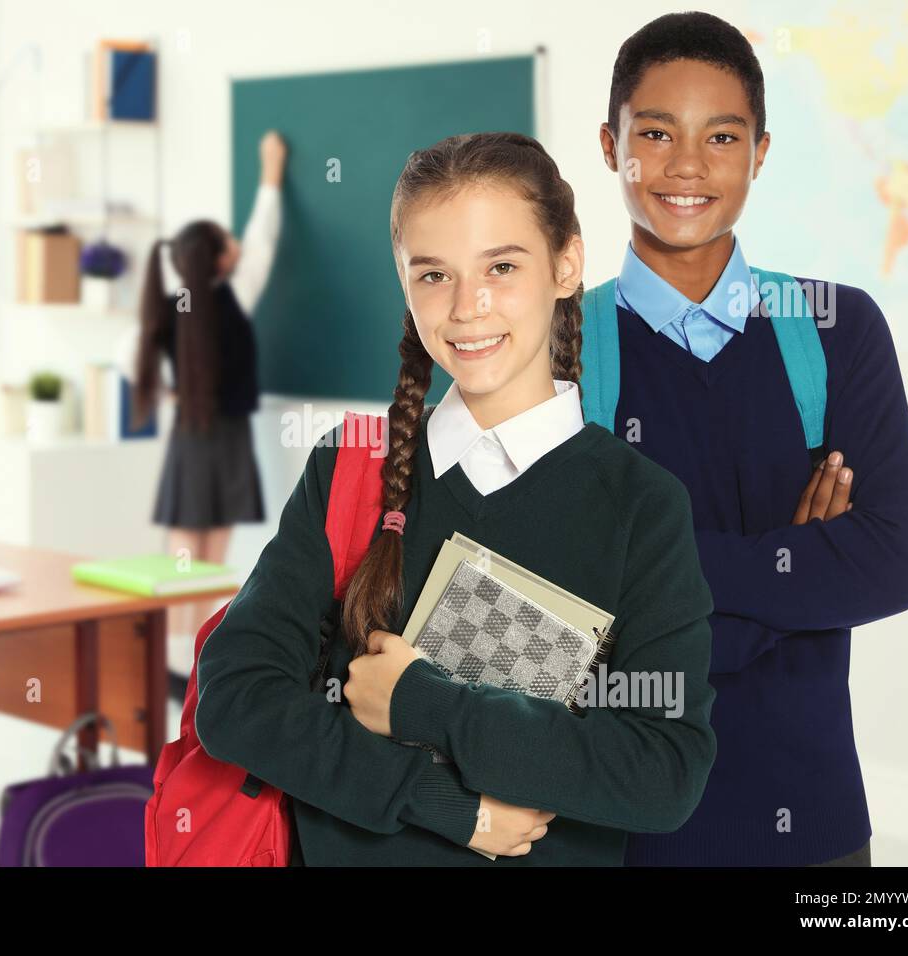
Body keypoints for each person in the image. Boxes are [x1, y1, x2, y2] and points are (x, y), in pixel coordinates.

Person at [194, 131, 718, 865]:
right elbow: (237, 700)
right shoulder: (350, 470)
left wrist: (423, 704)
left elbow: (662, 772)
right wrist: (446, 804)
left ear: (566, 265)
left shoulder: (643, 506)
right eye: (434, 275)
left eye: (501, 266)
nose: (469, 307)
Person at [594, 12, 908, 866]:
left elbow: (890, 562)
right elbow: (543, 586)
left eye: (723, 136)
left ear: (761, 151)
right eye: (656, 133)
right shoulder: (557, 342)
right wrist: (792, 562)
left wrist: (649, 569)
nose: (689, 167)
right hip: (613, 821)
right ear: (610, 145)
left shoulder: (836, 326)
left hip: (810, 819)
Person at [128, 129, 287, 672]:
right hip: (225, 435)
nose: (238, 244)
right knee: (212, 563)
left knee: (182, 558)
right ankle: (195, 666)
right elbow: (261, 242)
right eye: (228, 239)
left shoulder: (171, 307)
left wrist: (175, 389)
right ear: (220, 258)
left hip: (189, 435)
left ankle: (173, 666)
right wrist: (269, 177)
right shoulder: (234, 296)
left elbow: (134, 360)